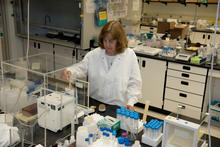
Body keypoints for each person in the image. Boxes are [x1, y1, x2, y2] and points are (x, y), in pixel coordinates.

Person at [63, 21, 142, 111]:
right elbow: (81, 68)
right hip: (94, 103)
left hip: (118, 106)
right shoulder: (94, 54)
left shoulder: (129, 56)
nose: (107, 45)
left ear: (119, 41)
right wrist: (70, 71)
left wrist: (130, 103)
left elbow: (135, 82)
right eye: (105, 40)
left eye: (111, 41)